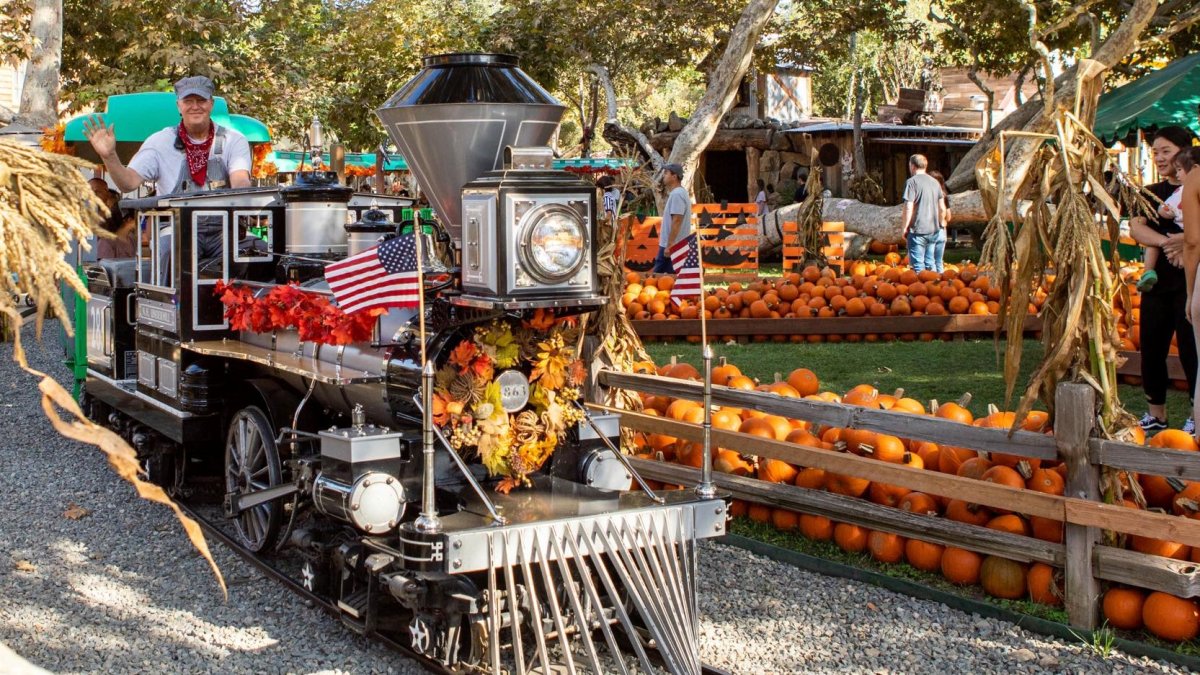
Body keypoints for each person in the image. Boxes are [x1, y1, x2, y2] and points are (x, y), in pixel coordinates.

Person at [1129, 126, 1198, 433]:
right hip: (1156, 283)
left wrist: (1186, 239)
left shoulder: (1195, 186)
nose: (1158, 158)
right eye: (1155, 152)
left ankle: (1196, 414)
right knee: (1152, 346)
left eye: (1165, 151)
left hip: (1190, 280)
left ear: (1184, 151)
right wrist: (1167, 241)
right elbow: (1136, 229)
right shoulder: (1149, 191)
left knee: (1191, 348)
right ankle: (1156, 412)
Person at [82, 75, 252, 195]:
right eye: (188, 101)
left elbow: (240, 181)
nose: (195, 106)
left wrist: (244, 194)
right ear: (179, 106)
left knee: (257, 246)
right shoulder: (160, 141)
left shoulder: (234, 140)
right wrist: (109, 155)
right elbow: (128, 184)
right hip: (175, 228)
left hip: (222, 228)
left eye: (201, 100)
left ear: (211, 104)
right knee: (172, 245)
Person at [900, 154, 945, 273]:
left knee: (918, 265)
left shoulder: (911, 182)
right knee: (930, 263)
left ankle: (922, 289)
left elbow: (908, 207)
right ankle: (935, 287)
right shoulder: (935, 182)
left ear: (913, 166)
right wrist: (941, 224)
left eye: (910, 165)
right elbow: (942, 207)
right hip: (933, 230)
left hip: (917, 230)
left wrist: (905, 227)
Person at [653, 163, 692, 274]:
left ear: (674, 176)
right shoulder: (680, 193)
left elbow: (677, 220)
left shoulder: (677, 194)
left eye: (666, 173)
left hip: (672, 245)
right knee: (669, 280)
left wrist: (670, 245)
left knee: (657, 280)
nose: (664, 176)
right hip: (676, 244)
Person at [927, 170, 952, 273]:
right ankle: (941, 283)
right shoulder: (945, 196)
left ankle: (932, 283)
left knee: (929, 260)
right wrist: (943, 221)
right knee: (938, 260)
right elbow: (949, 216)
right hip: (942, 230)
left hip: (929, 229)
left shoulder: (926, 196)